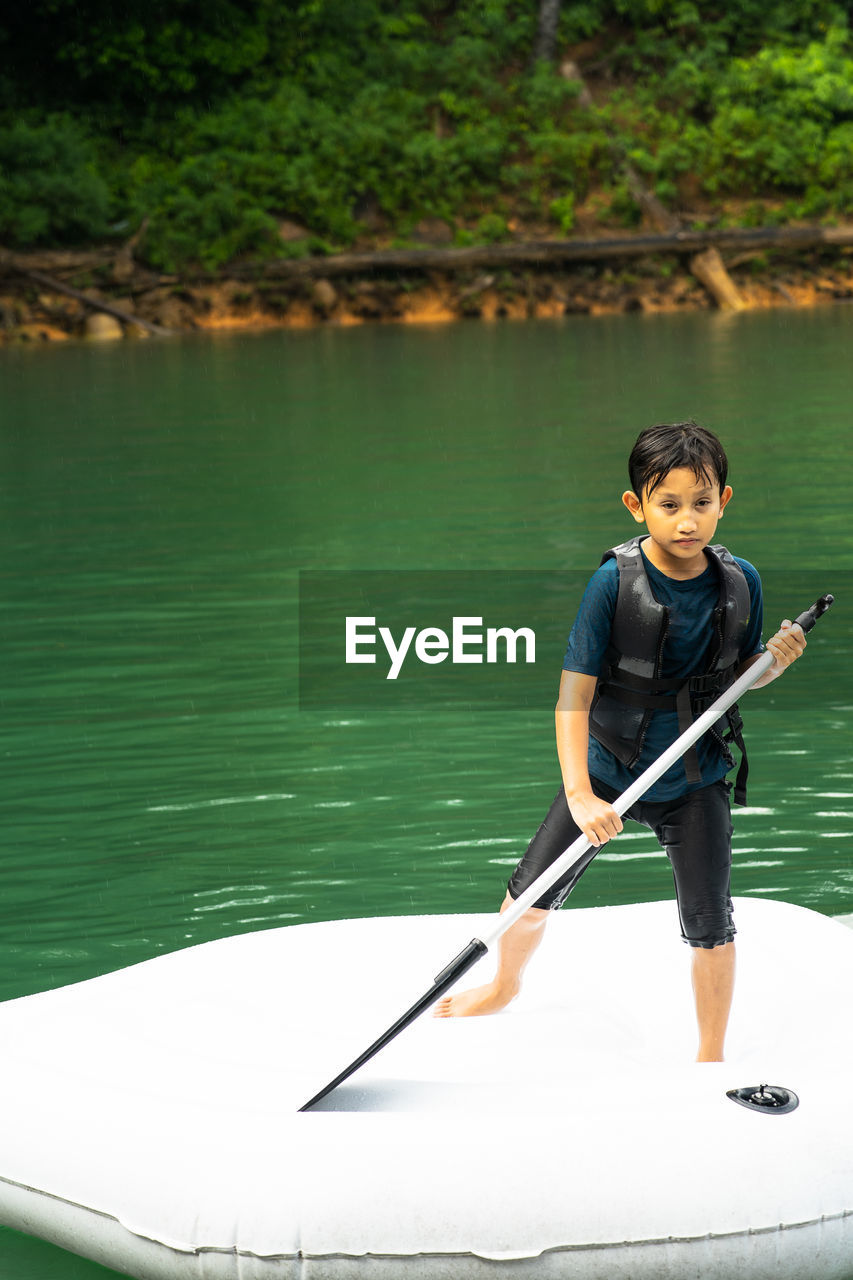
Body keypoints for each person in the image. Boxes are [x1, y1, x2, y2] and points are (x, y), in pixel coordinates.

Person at [435, 421, 807, 1061]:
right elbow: (573, 696)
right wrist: (580, 794)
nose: (687, 520)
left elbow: (745, 678)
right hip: (609, 769)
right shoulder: (613, 584)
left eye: (702, 503)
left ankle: (710, 1055)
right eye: (669, 505)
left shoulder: (740, 581)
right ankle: (504, 984)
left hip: (694, 776)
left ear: (724, 501)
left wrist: (778, 661)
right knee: (529, 894)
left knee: (712, 923)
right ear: (638, 506)